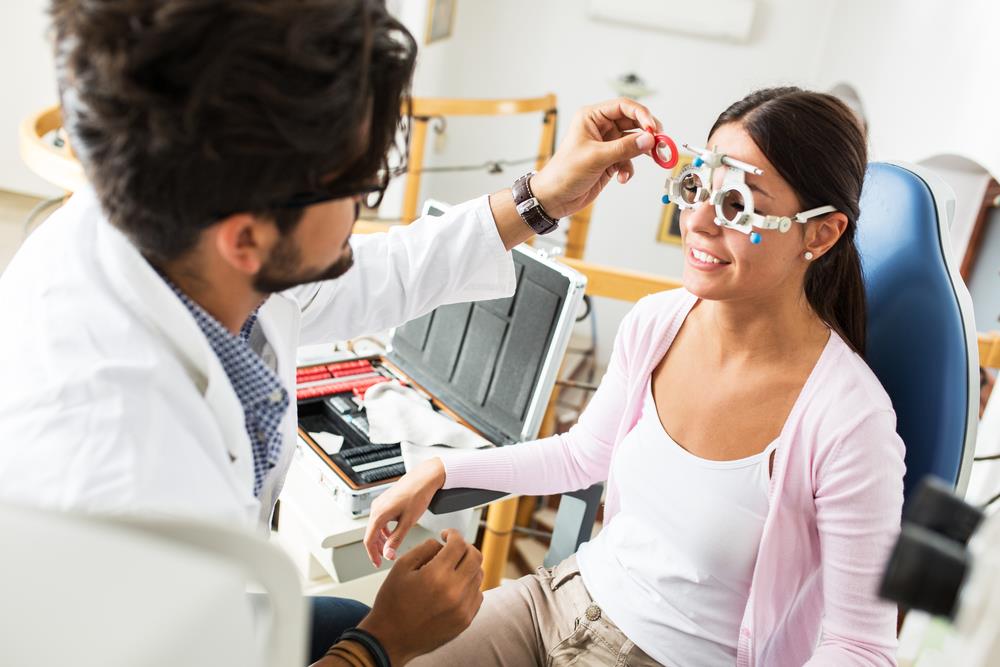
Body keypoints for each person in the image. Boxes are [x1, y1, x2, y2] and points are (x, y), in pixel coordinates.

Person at [0, 1, 663, 665]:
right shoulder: (117, 462)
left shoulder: (175, 229)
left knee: (342, 612)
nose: (361, 211)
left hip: (217, 606)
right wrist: (379, 644)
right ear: (248, 237)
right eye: (360, 188)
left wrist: (540, 197)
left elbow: (374, 274)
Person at [365, 87, 906, 666]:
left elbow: (862, 648)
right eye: (697, 187)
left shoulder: (849, 421)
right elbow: (581, 456)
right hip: (556, 603)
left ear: (820, 234)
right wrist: (444, 467)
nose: (696, 222)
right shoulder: (658, 322)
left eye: (737, 204)